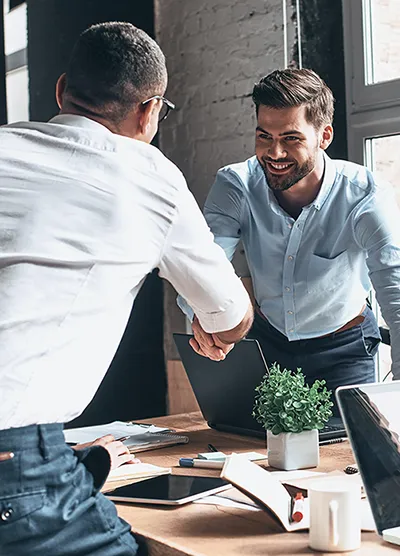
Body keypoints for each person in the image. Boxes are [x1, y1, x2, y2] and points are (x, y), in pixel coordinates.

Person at [0, 22, 253, 556]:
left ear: (61, 89)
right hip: (16, 461)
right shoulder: (146, 174)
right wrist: (210, 322)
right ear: (149, 112)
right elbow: (233, 317)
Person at [182, 68, 400, 411]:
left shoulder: (365, 196)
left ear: (324, 136)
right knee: (252, 453)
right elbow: (201, 265)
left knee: (350, 456)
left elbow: (396, 299)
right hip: (268, 345)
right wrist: (201, 321)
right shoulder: (236, 185)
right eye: (264, 136)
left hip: (343, 351)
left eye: (291, 138)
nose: (275, 153)